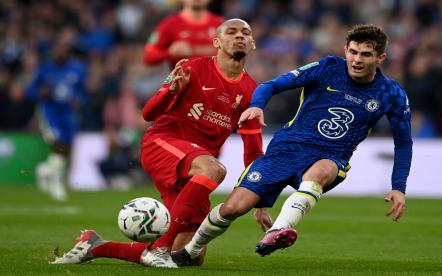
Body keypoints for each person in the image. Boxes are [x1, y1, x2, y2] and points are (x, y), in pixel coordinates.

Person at [172, 24, 412, 265]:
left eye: (366, 54)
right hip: (286, 149)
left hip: (331, 155)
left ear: (381, 57)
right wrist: (257, 105)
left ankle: (277, 231)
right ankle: (189, 251)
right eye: (353, 52)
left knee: (320, 172)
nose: (357, 59)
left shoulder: (391, 93)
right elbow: (271, 85)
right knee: (234, 208)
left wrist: (398, 187)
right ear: (346, 50)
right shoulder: (328, 67)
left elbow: (403, 142)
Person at [51, 19, 271, 268]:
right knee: (214, 170)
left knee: (189, 255)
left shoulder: (252, 92)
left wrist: (261, 202)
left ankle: (97, 246)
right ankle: (161, 246)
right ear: (216, 42)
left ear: (252, 44)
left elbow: (253, 150)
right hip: (163, 143)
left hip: (193, 169)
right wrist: (171, 91)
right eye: (231, 32)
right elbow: (148, 113)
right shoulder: (192, 68)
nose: (239, 36)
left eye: (245, 33)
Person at [27, 40, 88, 201]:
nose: (60, 54)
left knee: (67, 147)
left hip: (68, 112)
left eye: (63, 51)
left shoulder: (78, 69)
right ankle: (57, 182)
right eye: (57, 51)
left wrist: (79, 100)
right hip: (50, 111)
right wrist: (41, 93)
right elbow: (30, 90)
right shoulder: (45, 69)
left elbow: (83, 91)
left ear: (68, 53)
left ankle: (45, 170)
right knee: (58, 143)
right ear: (53, 52)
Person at [143, 0, 224, 69]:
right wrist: (170, 52)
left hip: (216, 85)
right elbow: (149, 56)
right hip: (184, 85)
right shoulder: (169, 24)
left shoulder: (220, 24)